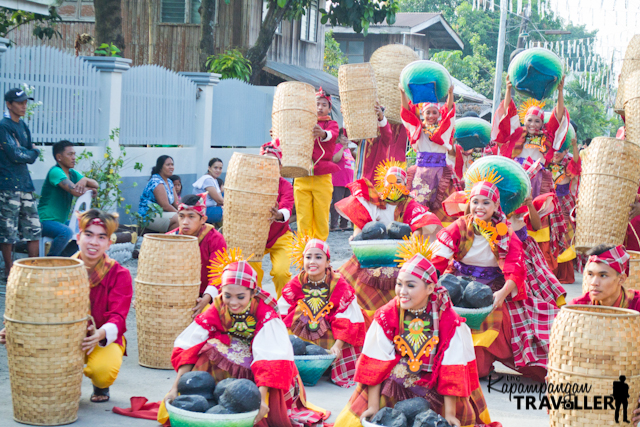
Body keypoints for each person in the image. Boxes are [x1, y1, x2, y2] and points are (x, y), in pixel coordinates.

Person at [334, 249, 499, 427]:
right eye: (399, 284)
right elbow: (375, 362)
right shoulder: (387, 315)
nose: (402, 291)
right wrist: (373, 406)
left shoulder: (448, 320)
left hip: (438, 382)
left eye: (410, 285)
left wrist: (450, 413)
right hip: (395, 380)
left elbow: (452, 367)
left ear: (430, 288)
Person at [164, 250, 329, 427]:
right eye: (228, 295)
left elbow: (270, 359)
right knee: (208, 348)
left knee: (260, 364)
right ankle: (213, 397)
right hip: (236, 350)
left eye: (240, 297)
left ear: (252, 293)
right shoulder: (219, 305)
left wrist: (262, 401)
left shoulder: (265, 312)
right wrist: (175, 388)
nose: (233, 302)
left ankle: (244, 403)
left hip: (265, 358)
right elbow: (191, 344)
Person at [431, 171, 557, 383]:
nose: (479, 207)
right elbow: (438, 258)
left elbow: (515, 267)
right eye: (475, 202)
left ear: (496, 206)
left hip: (493, 289)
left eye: (486, 202)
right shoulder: (460, 226)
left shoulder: (504, 231)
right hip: (458, 283)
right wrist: (428, 284)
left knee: (479, 366)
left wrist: (502, 294)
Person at [0, 209, 134, 402]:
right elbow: (38, 306)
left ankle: (100, 386)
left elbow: (118, 317)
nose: (94, 242)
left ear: (109, 243)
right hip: (61, 336)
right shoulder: (58, 270)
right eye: (88, 235)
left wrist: (99, 334)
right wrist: (15, 327)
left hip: (99, 336)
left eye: (101, 237)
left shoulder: (119, 274)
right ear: (78, 238)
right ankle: (66, 381)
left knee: (102, 371)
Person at [335, 161, 442, 317]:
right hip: (371, 253)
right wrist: (357, 237)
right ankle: (359, 315)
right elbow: (361, 223)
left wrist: (412, 247)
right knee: (348, 281)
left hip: (401, 256)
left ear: (405, 184)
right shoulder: (374, 201)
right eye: (390, 180)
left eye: (399, 181)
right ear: (384, 183)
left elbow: (418, 227)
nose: (394, 184)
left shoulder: (409, 204)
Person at [278, 237, 366, 388]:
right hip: (300, 339)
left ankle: (327, 364)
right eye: (308, 257)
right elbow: (281, 311)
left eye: (318, 257)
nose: (312, 261)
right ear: (303, 260)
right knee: (299, 311)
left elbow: (346, 318)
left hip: (332, 336)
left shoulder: (338, 283)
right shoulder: (297, 281)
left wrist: (337, 347)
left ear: (327, 262)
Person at [492, 76, 569, 198]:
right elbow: (508, 112)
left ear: (542, 123)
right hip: (517, 174)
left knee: (535, 209)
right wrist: (508, 89)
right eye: (530, 120)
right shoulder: (517, 133)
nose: (533, 124)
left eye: (537, 121)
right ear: (525, 121)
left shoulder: (546, 137)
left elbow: (558, 117)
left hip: (537, 177)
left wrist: (560, 91)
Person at [399, 83, 456, 222]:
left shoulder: (443, 131)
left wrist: (450, 94)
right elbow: (407, 113)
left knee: (443, 209)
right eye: (427, 112)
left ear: (439, 113)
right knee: (419, 208)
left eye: (434, 112)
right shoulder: (417, 129)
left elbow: (449, 112)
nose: (431, 116)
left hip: (441, 173)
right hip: (421, 174)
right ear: (422, 114)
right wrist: (403, 93)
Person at [0, 88, 41, 277]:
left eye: (26, 102)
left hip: (25, 184)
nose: (24, 106)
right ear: (9, 105)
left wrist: (31, 153)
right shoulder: (4, 126)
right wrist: (30, 153)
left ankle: (34, 270)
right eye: (19, 103)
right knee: (8, 231)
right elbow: (15, 154)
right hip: (8, 185)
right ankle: (9, 271)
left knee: (33, 228)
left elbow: (30, 154)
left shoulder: (23, 127)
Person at [166, 194, 227, 317]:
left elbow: (218, 272)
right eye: (181, 216)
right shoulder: (168, 238)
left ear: (203, 219)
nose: (185, 222)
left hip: (205, 295)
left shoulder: (215, 239)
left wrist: (206, 298)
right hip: (175, 294)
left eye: (191, 217)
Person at [248, 140, 294, 298]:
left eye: (273, 163)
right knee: (251, 272)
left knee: (281, 272)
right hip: (255, 237)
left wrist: (278, 214)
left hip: (280, 236)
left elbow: (287, 207)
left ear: (280, 167)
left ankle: (285, 307)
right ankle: (254, 304)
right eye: (264, 162)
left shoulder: (286, 186)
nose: (268, 166)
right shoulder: (250, 184)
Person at [38, 140, 98, 256]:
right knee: (66, 232)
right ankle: (50, 262)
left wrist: (85, 180)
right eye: (70, 154)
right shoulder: (55, 172)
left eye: (74, 154)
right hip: (45, 221)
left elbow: (95, 184)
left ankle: (63, 259)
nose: (74, 157)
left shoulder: (72, 174)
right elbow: (76, 191)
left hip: (60, 221)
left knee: (87, 230)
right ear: (59, 157)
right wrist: (90, 190)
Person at [294, 87, 339, 241]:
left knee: (321, 216)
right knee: (303, 218)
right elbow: (290, 138)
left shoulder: (332, 124)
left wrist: (322, 133)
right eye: (317, 104)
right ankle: (303, 253)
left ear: (329, 108)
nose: (320, 108)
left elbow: (331, 135)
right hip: (302, 175)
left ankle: (320, 249)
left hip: (322, 177)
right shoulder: (302, 123)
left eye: (323, 105)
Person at [509, 196, 566, 307]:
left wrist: (530, 205)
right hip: (504, 253)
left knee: (534, 290)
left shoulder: (520, 200)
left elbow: (536, 226)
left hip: (526, 250)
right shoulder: (493, 205)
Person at [547, 136, 581, 284]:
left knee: (566, 237)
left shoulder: (568, 164)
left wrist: (574, 146)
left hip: (565, 205)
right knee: (549, 236)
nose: (556, 154)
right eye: (554, 150)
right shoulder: (545, 162)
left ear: (566, 151)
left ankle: (564, 273)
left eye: (560, 150)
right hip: (549, 204)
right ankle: (550, 270)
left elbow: (576, 164)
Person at [571, 244, 640, 310]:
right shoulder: (578, 306)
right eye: (590, 274)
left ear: (621, 279)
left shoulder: (637, 304)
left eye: (603, 275)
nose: (594, 283)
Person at [352, 103, 401, 183]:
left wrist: (381, 118)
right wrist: (346, 117)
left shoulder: (384, 137)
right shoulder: (362, 135)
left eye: (376, 118)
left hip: (378, 181)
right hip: (361, 178)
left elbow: (387, 134)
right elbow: (348, 135)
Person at [138, 155, 179, 232]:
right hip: (149, 216)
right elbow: (165, 206)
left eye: (172, 164)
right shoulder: (156, 181)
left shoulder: (169, 182)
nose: (171, 167)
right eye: (168, 165)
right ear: (160, 167)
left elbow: (176, 203)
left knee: (187, 219)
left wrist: (186, 211)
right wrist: (180, 214)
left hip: (162, 214)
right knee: (179, 219)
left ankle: (168, 239)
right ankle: (167, 240)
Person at [330, 129, 355, 232]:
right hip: (338, 181)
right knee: (337, 202)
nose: (346, 139)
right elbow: (335, 159)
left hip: (348, 182)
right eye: (344, 137)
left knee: (347, 204)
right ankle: (334, 225)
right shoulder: (337, 147)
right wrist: (343, 148)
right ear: (339, 138)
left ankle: (344, 224)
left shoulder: (348, 150)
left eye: (347, 137)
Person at [192, 158, 224, 224]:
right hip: (202, 210)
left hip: (209, 208)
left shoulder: (213, 179)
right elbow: (219, 200)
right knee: (230, 213)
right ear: (209, 168)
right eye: (215, 168)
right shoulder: (207, 180)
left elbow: (220, 199)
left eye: (220, 168)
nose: (218, 170)